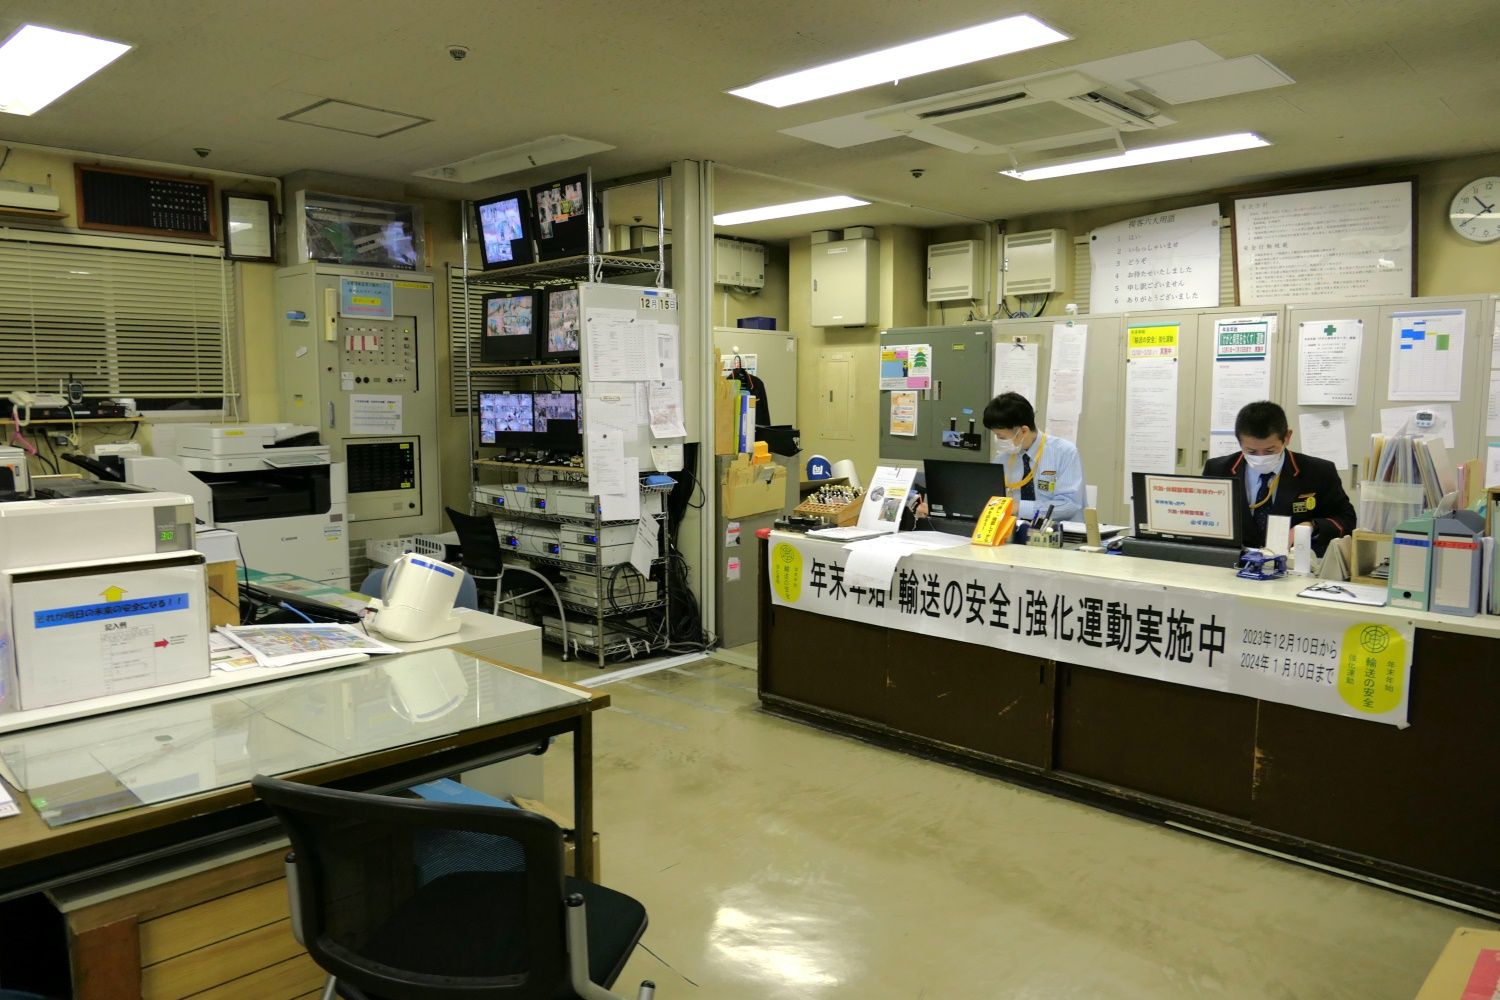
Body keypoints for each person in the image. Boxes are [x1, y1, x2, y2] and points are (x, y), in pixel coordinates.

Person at [1202, 400, 1356, 556]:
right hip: (1233, 566)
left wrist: (1312, 526)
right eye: (1252, 451)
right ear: (1239, 441)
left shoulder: (1318, 471)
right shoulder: (1218, 470)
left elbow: (1347, 519)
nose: (1261, 457)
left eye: (1270, 451)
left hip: (1293, 567)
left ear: (1287, 437)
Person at [915, 392, 1086, 524]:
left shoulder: (1064, 453)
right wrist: (939, 509)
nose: (999, 442)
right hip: (1014, 532)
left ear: (1024, 430)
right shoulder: (1003, 458)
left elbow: (1070, 505)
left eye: (1002, 437)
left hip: (1058, 535)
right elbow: (988, 500)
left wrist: (1017, 508)